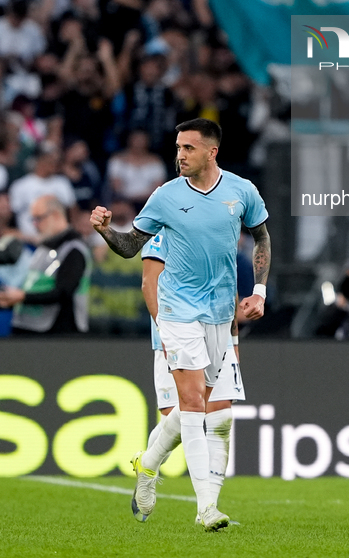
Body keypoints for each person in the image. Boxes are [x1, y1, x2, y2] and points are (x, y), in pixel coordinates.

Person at [90, 117, 270, 532]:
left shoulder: (242, 191)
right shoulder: (165, 199)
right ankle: (207, 509)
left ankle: (148, 462)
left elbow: (261, 237)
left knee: (218, 416)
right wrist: (105, 231)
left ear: (212, 151)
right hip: (177, 314)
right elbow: (132, 248)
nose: (180, 155)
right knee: (192, 404)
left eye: (188, 148)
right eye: (177, 147)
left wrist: (258, 291)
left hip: (222, 315)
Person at [141, 232, 245, 521]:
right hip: (178, 332)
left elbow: (228, 287)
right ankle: (149, 465)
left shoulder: (218, 231)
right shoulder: (163, 233)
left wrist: (234, 343)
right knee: (183, 414)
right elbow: (150, 282)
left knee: (221, 419)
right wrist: (164, 332)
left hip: (218, 330)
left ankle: (207, 508)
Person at [0, 195, 92, 333]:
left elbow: (64, 292)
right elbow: (33, 285)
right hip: (28, 326)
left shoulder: (74, 250)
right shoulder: (44, 247)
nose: (35, 225)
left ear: (55, 215)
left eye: (38, 218)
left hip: (57, 332)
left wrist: (22, 297)